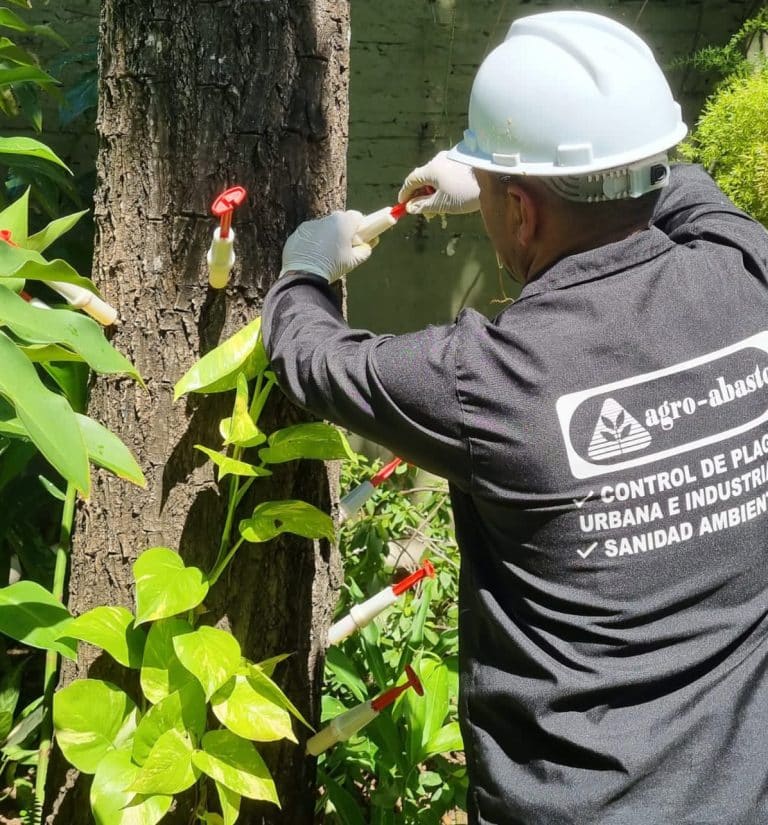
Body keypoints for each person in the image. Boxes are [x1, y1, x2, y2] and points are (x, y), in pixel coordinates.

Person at [262, 10, 768, 824]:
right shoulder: (750, 280)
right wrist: (502, 172)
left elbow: (312, 360)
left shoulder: (493, 380)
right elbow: (689, 188)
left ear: (523, 213)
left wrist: (305, 272)